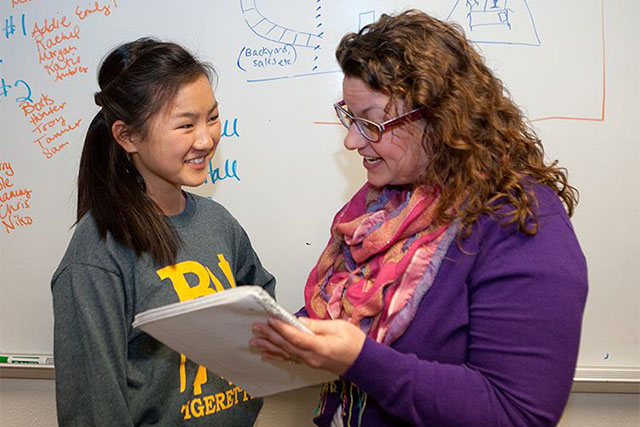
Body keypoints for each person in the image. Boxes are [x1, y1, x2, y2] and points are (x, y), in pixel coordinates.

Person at [250, 10, 588, 427]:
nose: (353, 140)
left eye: (371, 123)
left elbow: (516, 412)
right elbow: (349, 313)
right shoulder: (385, 206)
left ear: (439, 119)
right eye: (349, 117)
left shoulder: (521, 223)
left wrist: (359, 359)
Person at [51, 38, 275, 426]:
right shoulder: (97, 255)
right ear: (128, 137)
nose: (206, 139)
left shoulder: (218, 223)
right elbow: (92, 409)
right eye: (186, 125)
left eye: (212, 117)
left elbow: (262, 310)